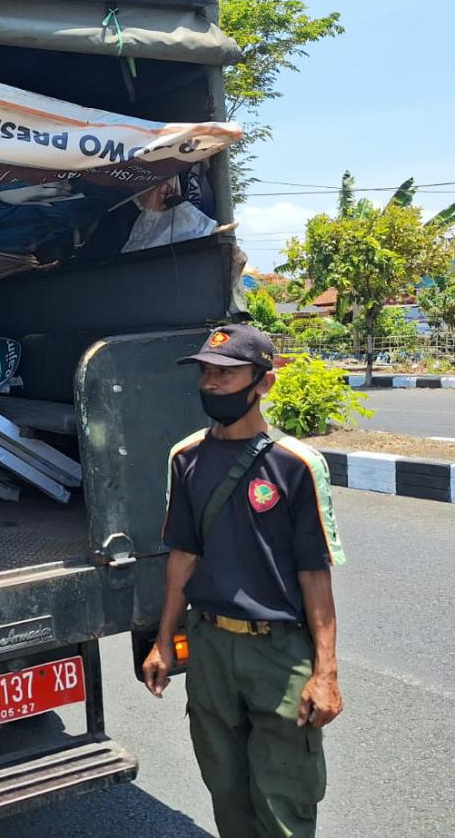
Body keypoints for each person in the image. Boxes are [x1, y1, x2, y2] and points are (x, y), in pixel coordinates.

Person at [142, 323, 346, 837]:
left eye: (227, 374)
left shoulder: (297, 464)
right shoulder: (185, 457)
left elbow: (314, 574)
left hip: (277, 654)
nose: (212, 383)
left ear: (264, 383)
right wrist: (163, 641)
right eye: (207, 372)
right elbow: (182, 557)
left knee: (284, 803)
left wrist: (326, 674)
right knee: (227, 793)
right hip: (210, 647)